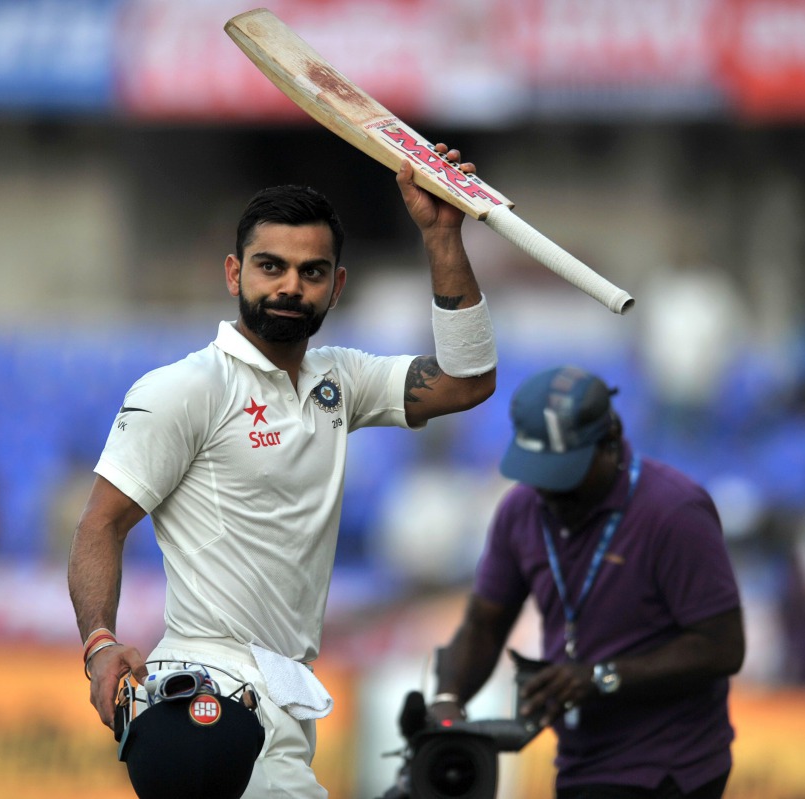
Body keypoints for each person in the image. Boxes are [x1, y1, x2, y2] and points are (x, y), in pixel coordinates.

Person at [68, 146, 498, 798]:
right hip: (210, 683)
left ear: (338, 285)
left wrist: (441, 234)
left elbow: (468, 383)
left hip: (286, 686)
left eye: (311, 271)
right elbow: (101, 523)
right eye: (271, 267)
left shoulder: (341, 379)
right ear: (234, 273)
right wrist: (100, 643)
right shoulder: (185, 388)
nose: (291, 285)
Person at [431, 365, 746, 799]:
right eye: (540, 474)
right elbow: (484, 624)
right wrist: (447, 702)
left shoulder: (675, 511)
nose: (551, 494)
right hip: (582, 758)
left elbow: (722, 646)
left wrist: (600, 678)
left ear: (610, 443)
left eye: (566, 475)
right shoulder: (522, 509)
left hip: (670, 763)